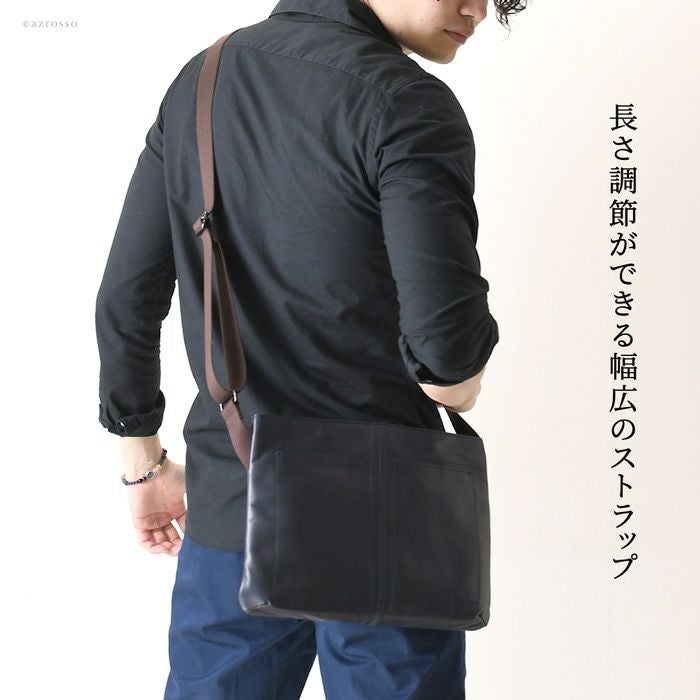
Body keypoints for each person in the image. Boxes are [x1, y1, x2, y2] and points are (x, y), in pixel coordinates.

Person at [94, 0, 528, 697]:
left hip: (233, 506)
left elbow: (126, 296)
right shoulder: (408, 103)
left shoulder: (202, 80)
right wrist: (460, 385)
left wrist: (142, 468)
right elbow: (447, 357)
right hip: (384, 521)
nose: (477, 9)